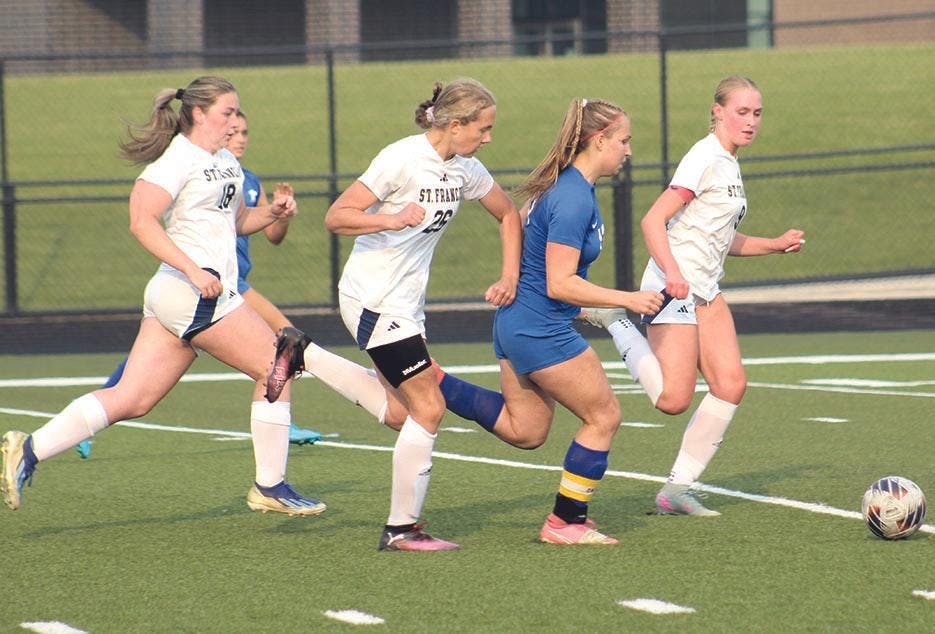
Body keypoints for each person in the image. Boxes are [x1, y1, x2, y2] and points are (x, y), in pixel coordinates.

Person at [0, 76, 325, 516]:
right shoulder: (178, 160)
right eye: (227, 113)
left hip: (180, 299)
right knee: (278, 365)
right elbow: (141, 220)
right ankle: (271, 486)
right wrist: (194, 269)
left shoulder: (225, 160)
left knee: (132, 399)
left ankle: (29, 448)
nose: (235, 122)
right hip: (191, 293)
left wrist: (272, 213)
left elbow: (234, 221)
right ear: (198, 114)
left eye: (237, 112)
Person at [275, 78, 522, 551]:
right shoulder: (401, 159)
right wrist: (390, 218)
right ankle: (401, 529)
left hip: (404, 304)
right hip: (374, 298)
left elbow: (508, 215)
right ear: (455, 124)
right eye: (483, 128)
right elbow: (337, 215)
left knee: (400, 413)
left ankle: (302, 354)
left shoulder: (465, 167)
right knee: (429, 407)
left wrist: (508, 276)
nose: (488, 138)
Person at [430, 98, 664, 545]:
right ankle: (565, 522)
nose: (629, 151)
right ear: (599, 141)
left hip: (517, 324)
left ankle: (432, 380)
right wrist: (628, 298)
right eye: (624, 141)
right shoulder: (573, 196)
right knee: (604, 416)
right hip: (539, 328)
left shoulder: (562, 188)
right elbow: (560, 283)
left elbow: (520, 233)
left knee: (528, 431)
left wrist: (512, 278)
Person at [579, 76, 805, 516]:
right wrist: (675, 274)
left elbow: (724, 240)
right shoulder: (705, 156)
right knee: (672, 400)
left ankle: (676, 490)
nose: (751, 121)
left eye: (757, 113)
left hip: (705, 289)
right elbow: (652, 221)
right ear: (718, 111)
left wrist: (774, 244)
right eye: (742, 112)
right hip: (672, 285)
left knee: (731, 384)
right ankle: (615, 320)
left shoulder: (730, 163)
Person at [72, 109, 323, 461]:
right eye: (233, 129)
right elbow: (146, 218)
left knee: (277, 348)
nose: (239, 137)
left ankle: (87, 417)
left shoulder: (246, 179)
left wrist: (281, 213)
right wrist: (193, 269)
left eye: (245, 132)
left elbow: (272, 234)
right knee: (281, 345)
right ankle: (276, 435)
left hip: (232, 283)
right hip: (206, 283)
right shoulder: (194, 167)